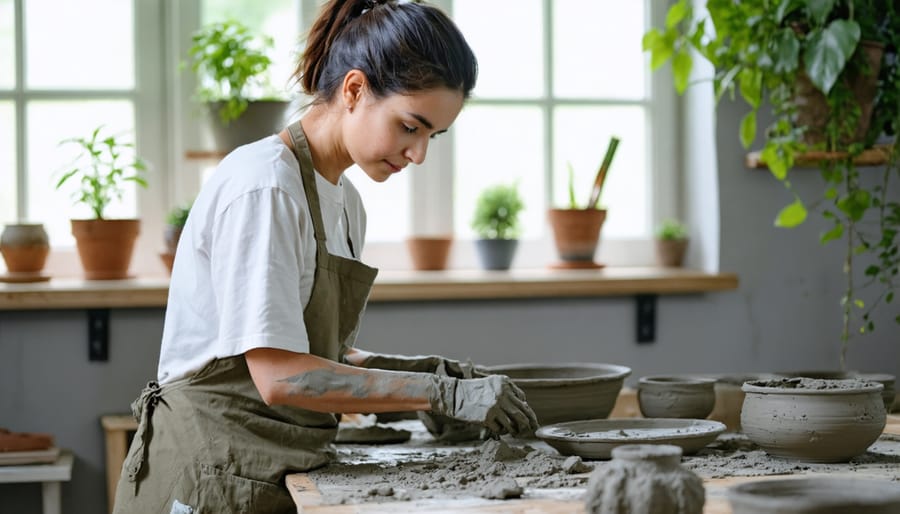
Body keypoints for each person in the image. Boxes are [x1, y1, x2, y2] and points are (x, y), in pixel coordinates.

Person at [112, 1, 538, 513]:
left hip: (269, 470)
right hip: (207, 478)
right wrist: (434, 393)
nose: (419, 154)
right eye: (410, 126)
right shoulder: (266, 187)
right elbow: (278, 374)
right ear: (354, 90)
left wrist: (437, 373)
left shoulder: (344, 203)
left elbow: (316, 353)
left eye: (432, 136)